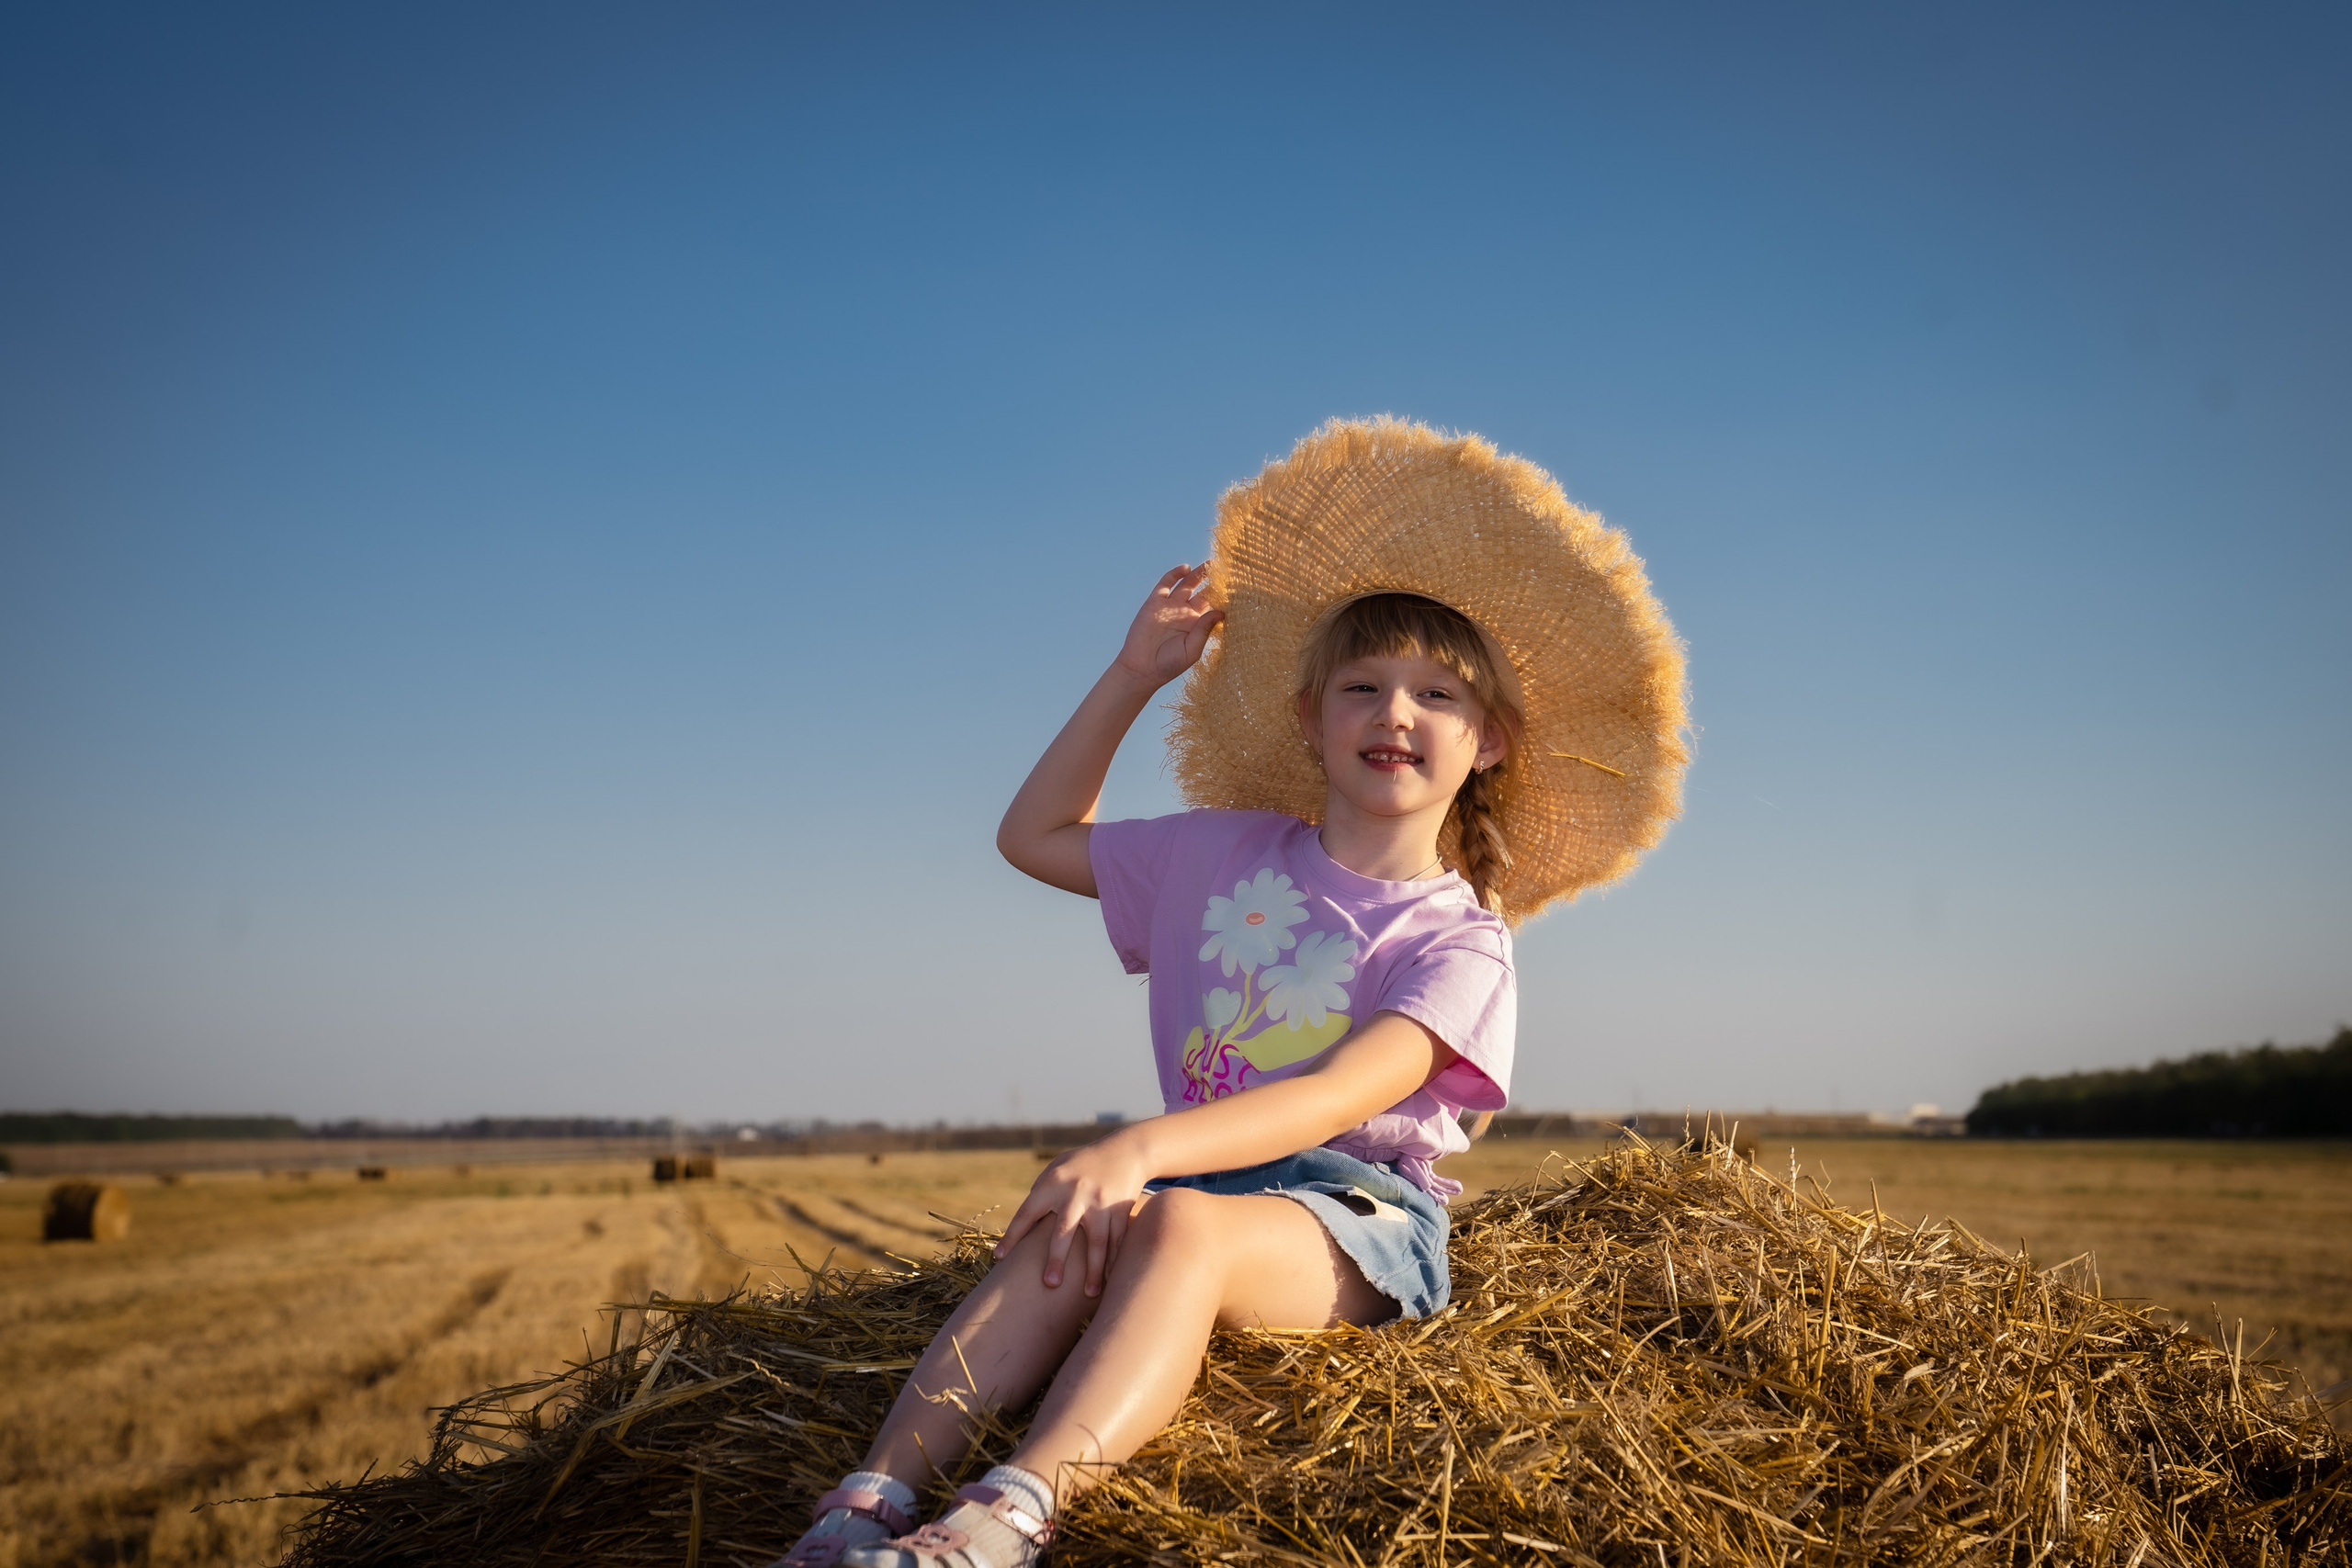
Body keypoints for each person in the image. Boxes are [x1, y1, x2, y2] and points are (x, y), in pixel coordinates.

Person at [772, 418, 1689, 1568]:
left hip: (1356, 1219)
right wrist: (1132, 677)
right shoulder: (1218, 855)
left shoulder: (1461, 940)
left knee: (1175, 1224)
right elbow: (1033, 835)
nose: (1393, 714)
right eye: (1361, 686)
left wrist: (1140, 1148)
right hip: (1191, 1177)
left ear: (1488, 741)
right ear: (1312, 721)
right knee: (1072, 1232)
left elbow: (1342, 1092)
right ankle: (863, 1505)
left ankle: (1007, 1516)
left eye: (1435, 695)